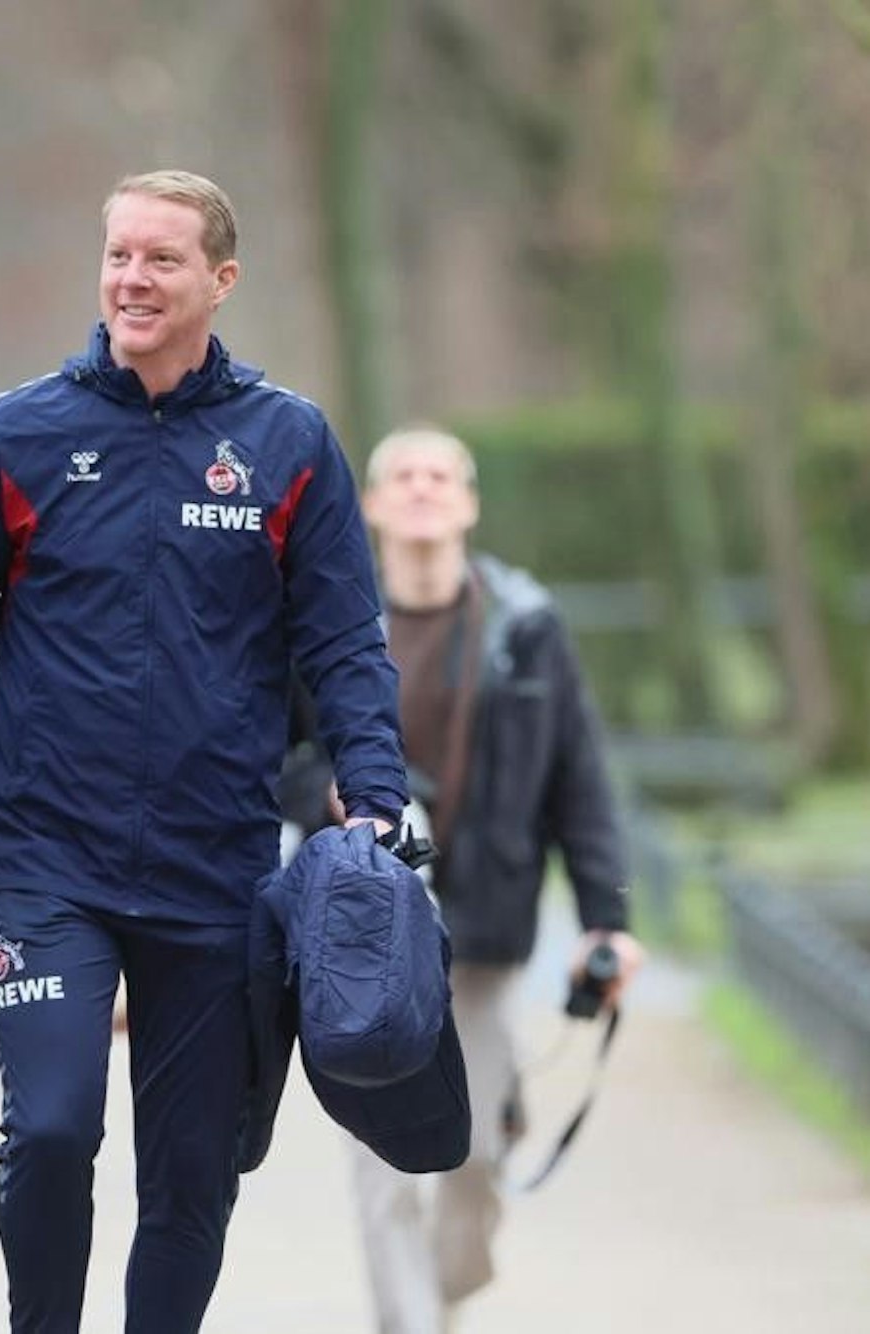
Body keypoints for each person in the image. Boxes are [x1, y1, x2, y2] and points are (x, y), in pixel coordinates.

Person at [0, 169, 408, 1334]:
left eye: (160, 259)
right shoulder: (19, 433)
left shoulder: (289, 443)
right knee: (54, 1123)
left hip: (214, 862)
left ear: (222, 279)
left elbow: (342, 642)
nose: (130, 277)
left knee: (193, 1169)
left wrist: (374, 792)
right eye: (117, 254)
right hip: (45, 853)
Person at [348, 423, 646, 1333]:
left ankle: (443, 1292)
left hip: (483, 926)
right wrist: (323, 789)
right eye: (403, 475)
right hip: (363, 935)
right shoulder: (331, 620)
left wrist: (605, 918)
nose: (423, 488)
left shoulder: (525, 626)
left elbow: (579, 780)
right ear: (371, 505)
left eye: (442, 475)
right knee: (385, 1158)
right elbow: (273, 751)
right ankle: (405, 1322)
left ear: (469, 503)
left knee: (470, 1154)